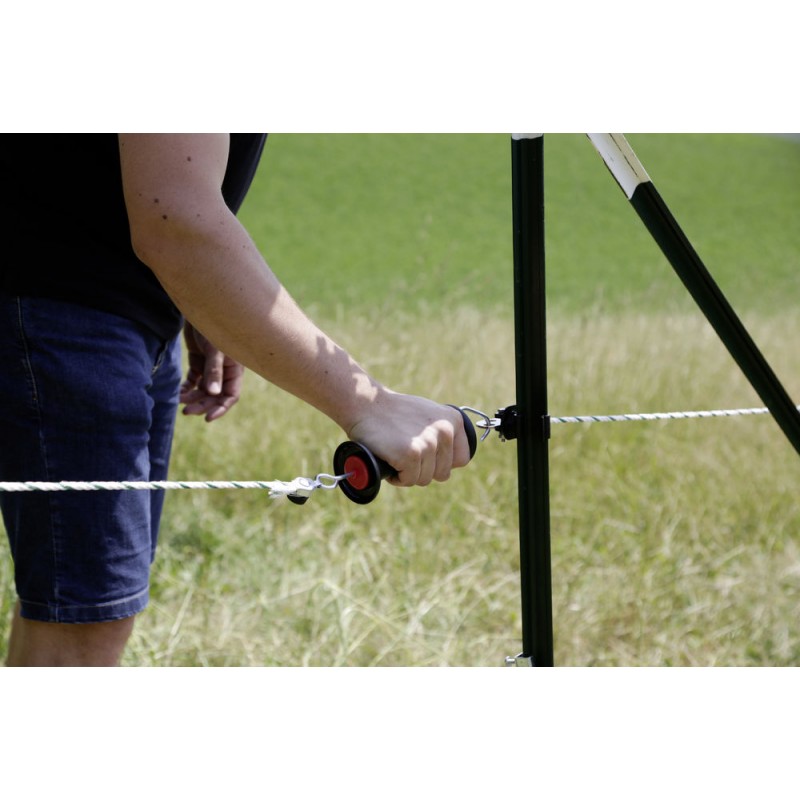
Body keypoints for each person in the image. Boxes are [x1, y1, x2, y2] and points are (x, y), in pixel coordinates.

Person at [0, 134, 472, 666]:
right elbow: (175, 221)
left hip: (119, 309)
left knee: (71, 605)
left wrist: (200, 301)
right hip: (64, 311)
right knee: (84, 621)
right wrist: (371, 406)